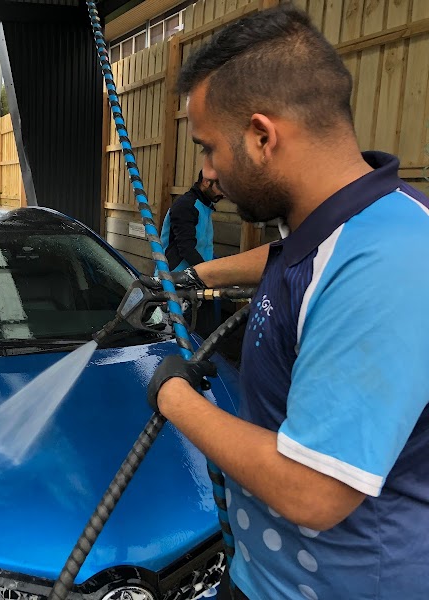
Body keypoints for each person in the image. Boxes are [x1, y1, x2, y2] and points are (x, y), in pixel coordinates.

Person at [147, 6, 429, 600]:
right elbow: (288, 259)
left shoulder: (391, 264)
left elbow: (312, 489)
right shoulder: (339, 226)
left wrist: (172, 395)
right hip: (265, 577)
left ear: (261, 135)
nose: (209, 171)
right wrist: (194, 276)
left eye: (209, 148)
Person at [160, 170, 223, 272]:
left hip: (196, 274)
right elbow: (186, 248)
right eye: (221, 187)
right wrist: (208, 273)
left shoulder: (205, 206)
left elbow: (204, 245)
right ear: (206, 182)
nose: (223, 193)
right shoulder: (186, 206)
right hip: (175, 277)